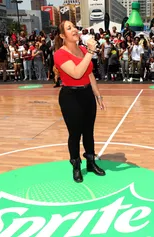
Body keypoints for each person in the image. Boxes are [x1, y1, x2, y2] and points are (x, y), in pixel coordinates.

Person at [54, 20, 106, 183]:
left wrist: (97, 94)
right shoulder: (60, 54)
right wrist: (91, 51)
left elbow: (89, 73)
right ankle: (76, 166)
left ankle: (91, 162)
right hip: (71, 97)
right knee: (75, 134)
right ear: (63, 35)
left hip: (87, 94)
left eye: (74, 27)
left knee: (89, 131)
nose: (74, 30)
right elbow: (76, 73)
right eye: (69, 28)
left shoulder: (83, 50)